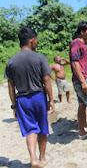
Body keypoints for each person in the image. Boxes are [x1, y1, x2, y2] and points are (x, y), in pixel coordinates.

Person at [4, 27, 55, 167]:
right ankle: (42, 158)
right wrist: (51, 100)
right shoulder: (40, 58)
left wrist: (14, 105)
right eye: (36, 40)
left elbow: (11, 86)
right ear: (32, 41)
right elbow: (46, 81)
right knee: (42, 128)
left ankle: (33, 159)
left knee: (30, 130)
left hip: (22, 100)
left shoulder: (11, 61)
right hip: (38, 97)